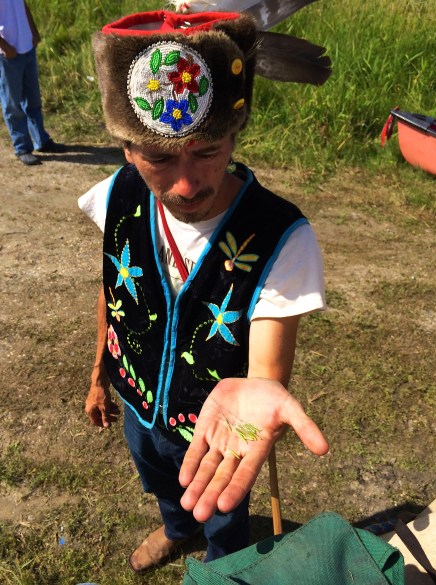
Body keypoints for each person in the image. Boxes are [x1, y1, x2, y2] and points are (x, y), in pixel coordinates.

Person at [79, 8, 330, 574]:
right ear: (125, 147)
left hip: (218, 435)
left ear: (234, 133)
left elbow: (265, 372)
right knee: (162, 480)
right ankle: (173, 528)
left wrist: (257, 402)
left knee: (221, 508)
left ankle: (223, 560)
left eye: (208, 151)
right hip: (138, 405)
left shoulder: (281, 236)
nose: (186, 183)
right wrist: (99, 375)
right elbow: (111, 284)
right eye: (159, 158)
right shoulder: (115, 195)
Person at [0, 0, 65, 166]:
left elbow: (24, 6)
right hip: (8, 54)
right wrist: (5, 47)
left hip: (27, 47)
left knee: (33, 99)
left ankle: (41, 140)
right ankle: (22, 147)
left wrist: (33, 31)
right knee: (12, 103)